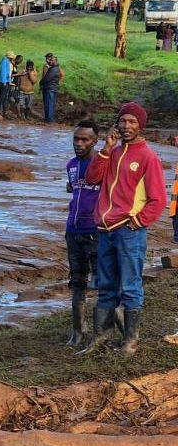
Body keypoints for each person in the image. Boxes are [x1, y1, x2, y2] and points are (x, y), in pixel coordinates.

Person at [80, 103, 167, 357]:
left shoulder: (148, 157)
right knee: (106, 286)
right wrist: (105, 149)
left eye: (132, 122)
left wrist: (137, 221)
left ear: (140, 125)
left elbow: (158, 199)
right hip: (106, 230)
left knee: (130, 286)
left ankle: (130, 343)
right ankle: (101, 338)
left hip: (129, 231)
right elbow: (93, 178)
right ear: (116, 124)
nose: (126, 126)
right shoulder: (114, 153)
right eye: (122, 121)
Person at [64, 120, 101, 347]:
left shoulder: (104, 165)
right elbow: (73, 190)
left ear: (95, 142)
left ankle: (109, 332)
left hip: (96, 233)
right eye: (76, 139)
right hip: (73, 231)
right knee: (77, 282)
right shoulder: (71, 165)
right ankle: (78, 332)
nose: (79, 143)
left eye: (84, 139)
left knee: (103, 285)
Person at [41, 53, 64, 122]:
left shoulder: (55, 68)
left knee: (49, 103)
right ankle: (48, 118)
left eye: (50, 59)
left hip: (50, 87)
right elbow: (44, 76)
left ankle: (49, 119)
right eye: (47, 58)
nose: (48, 60)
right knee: (48, 103)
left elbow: (62, 75)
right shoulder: (47, 66)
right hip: (48, 86)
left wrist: (58, 83)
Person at [0, 50, 14, 116]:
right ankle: (0, 110)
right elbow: (3, 72)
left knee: (4, 97)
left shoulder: (6, 61)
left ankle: (3, 111)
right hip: (4, 82)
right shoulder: (5, 61)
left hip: (6, 81)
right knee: (2, 96)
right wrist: (4, 82)